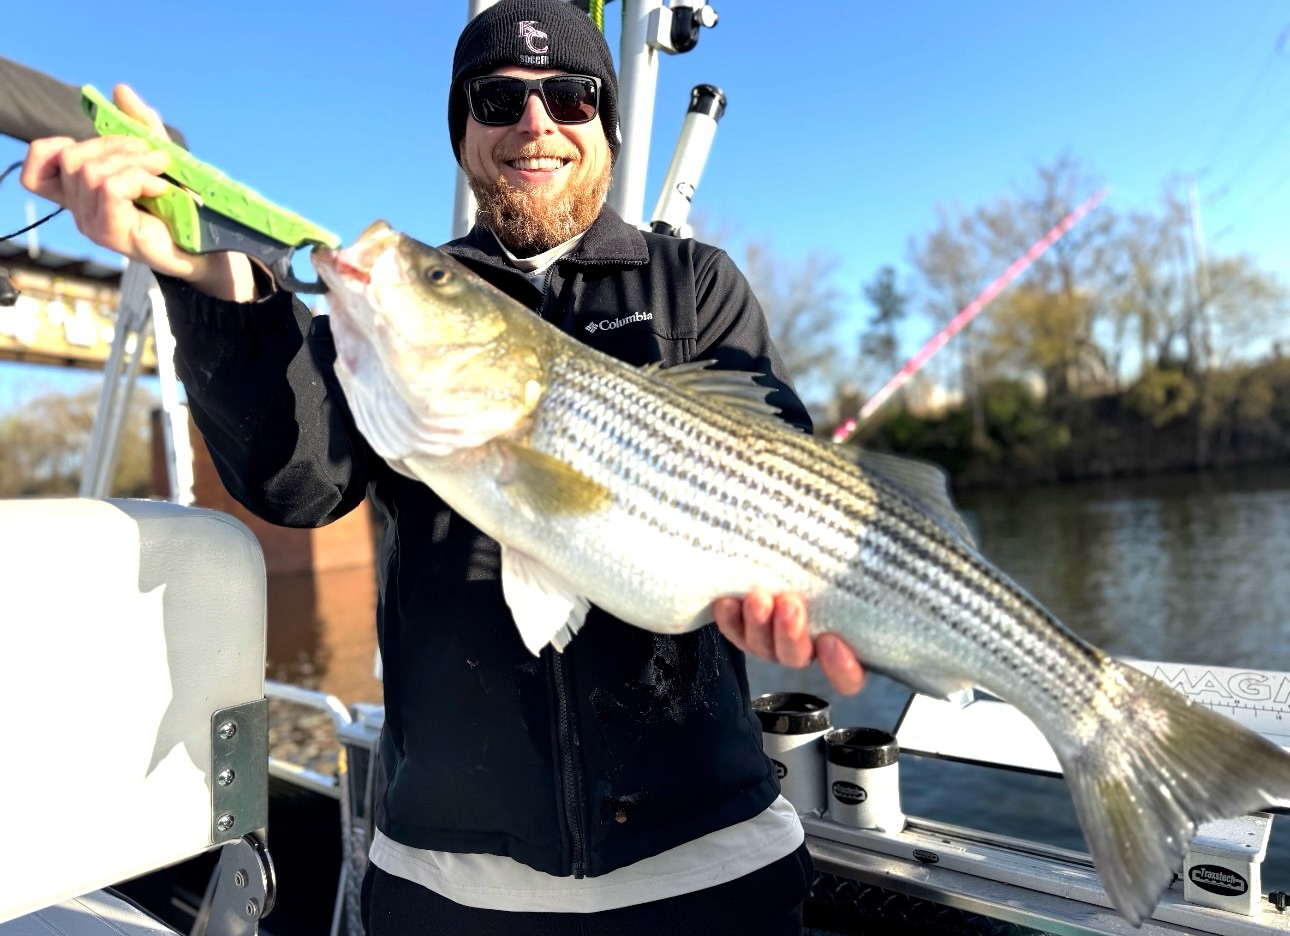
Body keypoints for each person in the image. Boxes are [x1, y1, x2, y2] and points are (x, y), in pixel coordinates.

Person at [22, 2, 864, 932]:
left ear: (607, 128)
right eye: (497, 99)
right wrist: (203, 275)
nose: (535, 123)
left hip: (708, 869)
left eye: (571, 97)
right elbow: (296, 476)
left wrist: (786, 589)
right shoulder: (397, 306)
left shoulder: (695, 285)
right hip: (448, 888)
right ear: (464, 135)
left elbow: (786, 469)